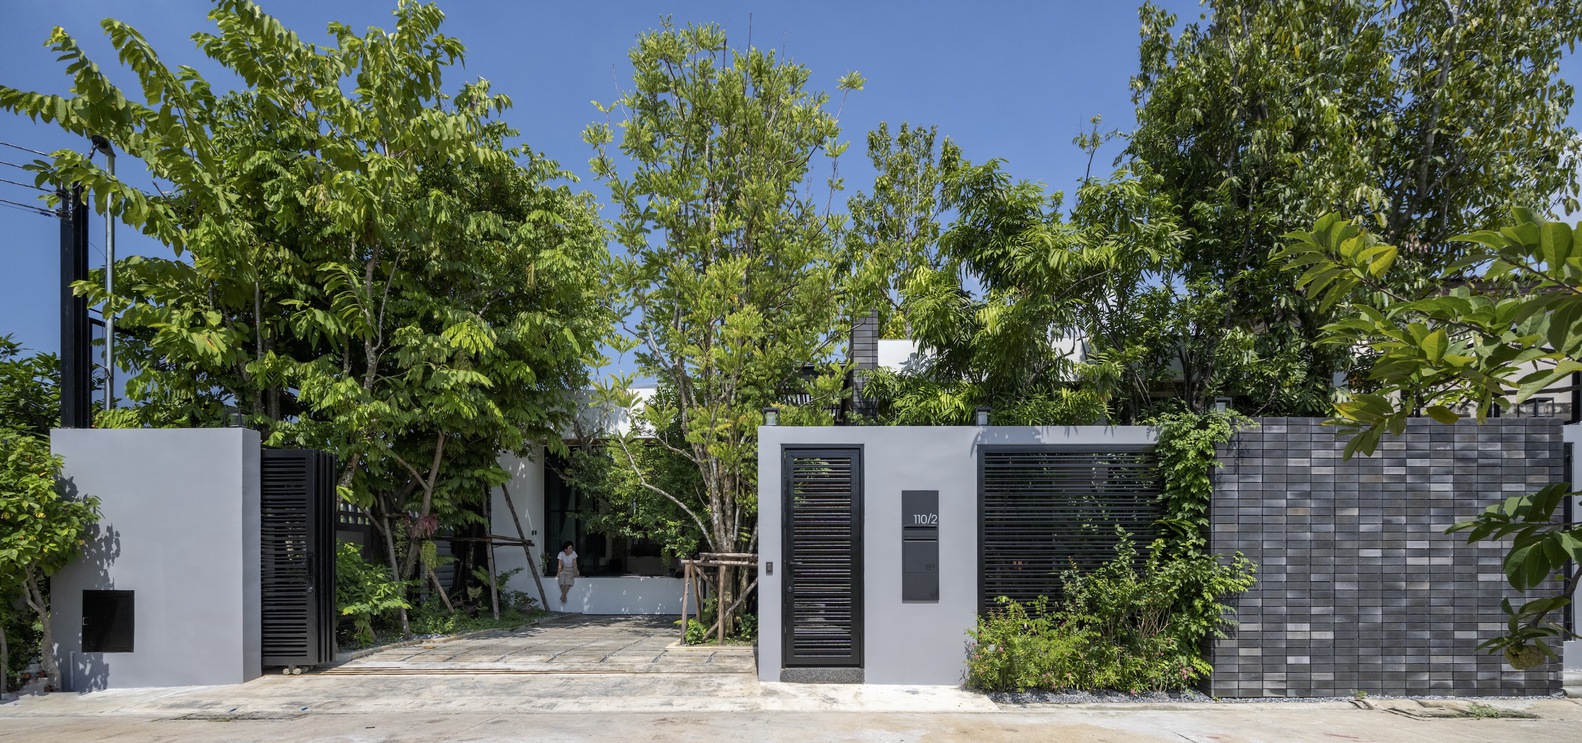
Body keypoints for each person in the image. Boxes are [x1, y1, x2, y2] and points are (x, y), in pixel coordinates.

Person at [556, 541, 579, 606]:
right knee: (561, 578)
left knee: (568, 578)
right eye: (570, 548)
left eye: (572, 548)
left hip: (572, 569)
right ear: (565, 549)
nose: (571, 550)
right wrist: (558, 574)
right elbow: (560, 565)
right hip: (564, 569)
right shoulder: (561, 554)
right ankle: (564, 595)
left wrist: (575, 574)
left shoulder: (573, 553)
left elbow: (575, 565)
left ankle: (563, 595)